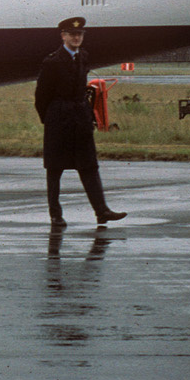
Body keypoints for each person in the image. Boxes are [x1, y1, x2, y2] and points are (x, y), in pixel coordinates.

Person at [34, 16, 126, 227]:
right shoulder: (52, 62)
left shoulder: (83, 56)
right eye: (72, 34)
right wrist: (49, 119)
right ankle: (55, 215)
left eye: (80, 34)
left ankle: (102, 211)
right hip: (59, 118)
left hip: (80, 117)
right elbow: (41, 96)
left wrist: (87, 115)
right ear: (63, 36)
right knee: (55, 169)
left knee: (89, 166)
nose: (76, 38)